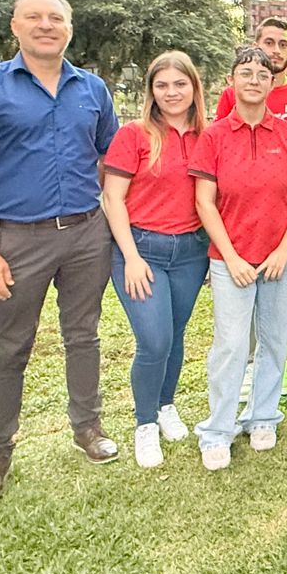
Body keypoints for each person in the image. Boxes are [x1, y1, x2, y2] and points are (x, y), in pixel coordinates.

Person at [0, 0, 120, 507]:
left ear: (69, 28)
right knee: (10, 347)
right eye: (34, 17)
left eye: (56, 18)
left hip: (87, 233)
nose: (45, 25)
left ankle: (88, 427)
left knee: (83, 335)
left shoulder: (92, 88)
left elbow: (110, 160)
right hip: (17, 237)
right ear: (15, 26)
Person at [189, 46, 287, 471]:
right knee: (230, 344)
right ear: (232, 81)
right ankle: (218, 430)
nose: (255, 80)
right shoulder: (214, 137)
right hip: (231, 259)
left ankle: (263, 416)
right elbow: (204, 202)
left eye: (263, 74)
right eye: (246, 73)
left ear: (271, 83)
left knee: (275, 340)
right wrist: (231, 257)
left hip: (282, 257)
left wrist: (283, 249)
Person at [100, 51, 210, 469]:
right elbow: (113, 197)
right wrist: (130, 256)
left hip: (190, 252)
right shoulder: (134, 135)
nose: (171, 93)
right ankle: (145, 422)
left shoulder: (208, 136)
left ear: (194, 88)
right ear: (151, 91)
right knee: (154, 340)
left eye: (180, 84)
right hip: (142, 250)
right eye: (161, 85)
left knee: (175, 334)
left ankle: (166, 405)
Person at [215, 16, 287, 122]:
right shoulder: (233, 93)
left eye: (283, 45)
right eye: (269, 43)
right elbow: (218, 131)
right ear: (256, 47)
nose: (276, 50)